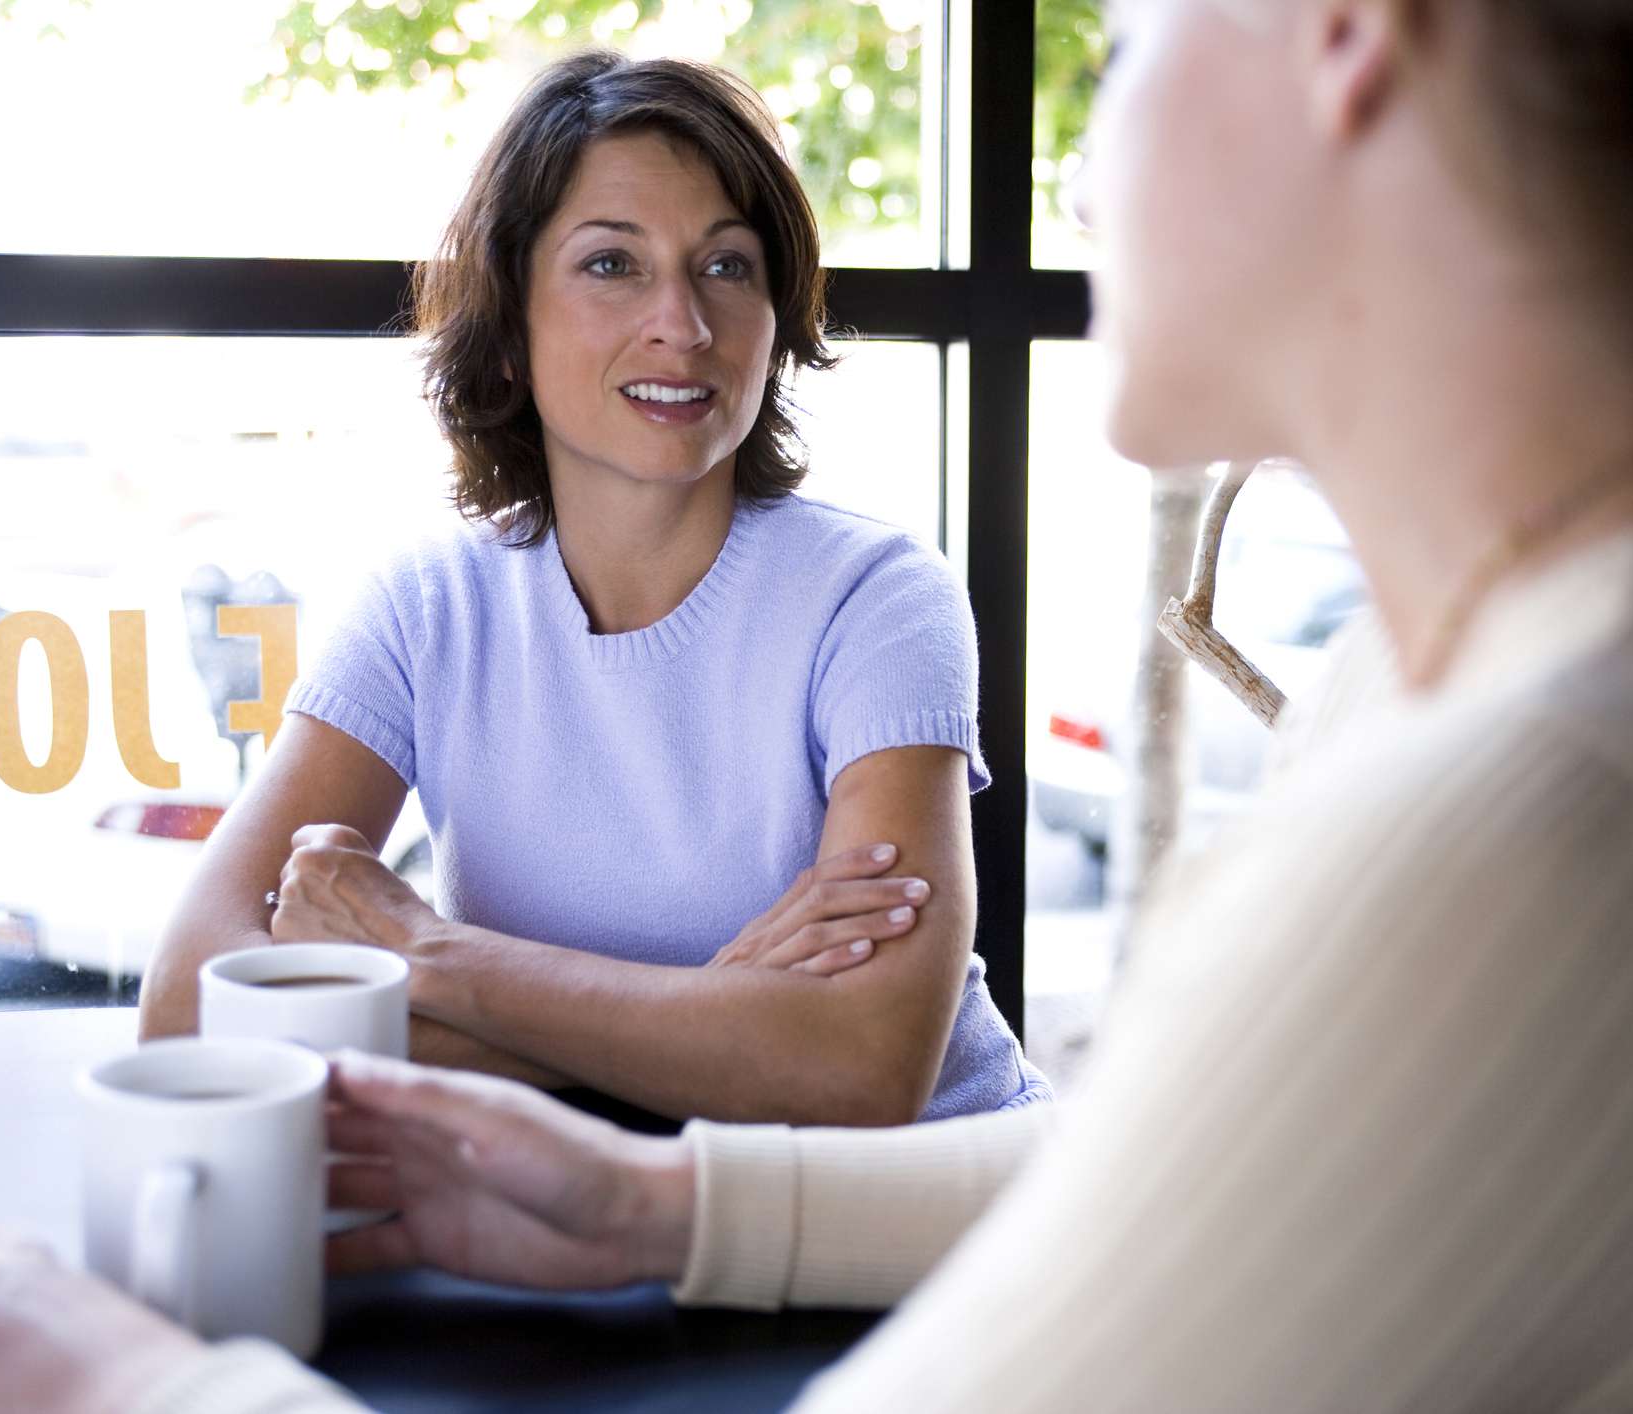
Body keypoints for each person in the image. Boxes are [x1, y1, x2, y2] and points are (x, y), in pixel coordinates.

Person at [0, 0, 1633, 1408]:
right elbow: (1156, 1161)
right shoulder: (1545, 660)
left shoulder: (1567, 804)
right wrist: (659, 1197)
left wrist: (131, 1382)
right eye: (616, 264)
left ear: (1347, 38)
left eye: (1147, 23)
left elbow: (886, 1081)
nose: (1080, 157)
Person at [132, 51, 1049, 1127]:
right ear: (510, 323)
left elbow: (864, 1066)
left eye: (728, 266)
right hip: (562, 1211)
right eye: (612, 264)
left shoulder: (879, 595)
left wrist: (427, 954)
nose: (684, 323)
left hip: (920, 1209)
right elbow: (189, 1010)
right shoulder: (425, 607)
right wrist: (723, 1015)